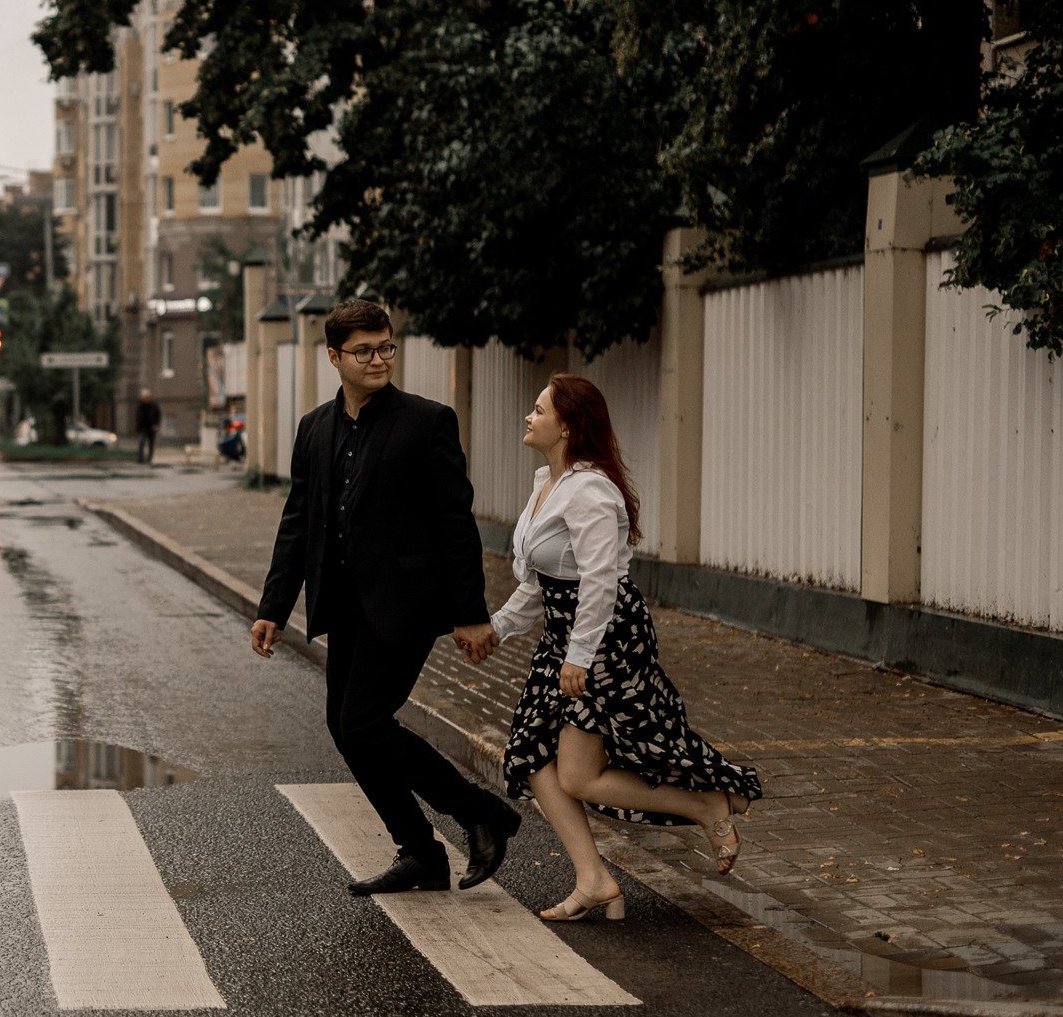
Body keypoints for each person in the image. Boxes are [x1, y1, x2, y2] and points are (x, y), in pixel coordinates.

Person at [251, 299, 522, 894]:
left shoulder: (427, 422)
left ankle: (480, 811)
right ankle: (421, 853)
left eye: (386, 347)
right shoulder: (314, 428)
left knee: (364, 722)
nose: (378, 360)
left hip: (407, 604)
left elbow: (456, 523)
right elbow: (299, 523)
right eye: (364, 351)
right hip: (344, 604)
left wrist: (469, 613)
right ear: (334, 357)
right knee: (344, 726)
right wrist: (274, 607)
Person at [481, 374, 761, 922]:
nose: (528, 417)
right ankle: (594, 880)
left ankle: (706, 804)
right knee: (530, 754)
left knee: (578, 775)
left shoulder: (589, 489)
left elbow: (599, 581)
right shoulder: (546, 484)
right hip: (564, 636)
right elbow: (540, 581)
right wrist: (498, 628)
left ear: (567, 426)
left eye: (538, 410)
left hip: (606, 637)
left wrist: (579, 657)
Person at [135, 388, 162, 464]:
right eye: (144, 397)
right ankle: (140, 458)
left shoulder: (153, 406)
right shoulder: (140, 406)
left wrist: (156, 424)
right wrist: (138, 427)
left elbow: (158, 415)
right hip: (143, 428)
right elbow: (138, 417)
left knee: (151, 444)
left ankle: (149, 459)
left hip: (151, 427)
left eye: (146, 397)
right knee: (141, 442)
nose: (145, 399)